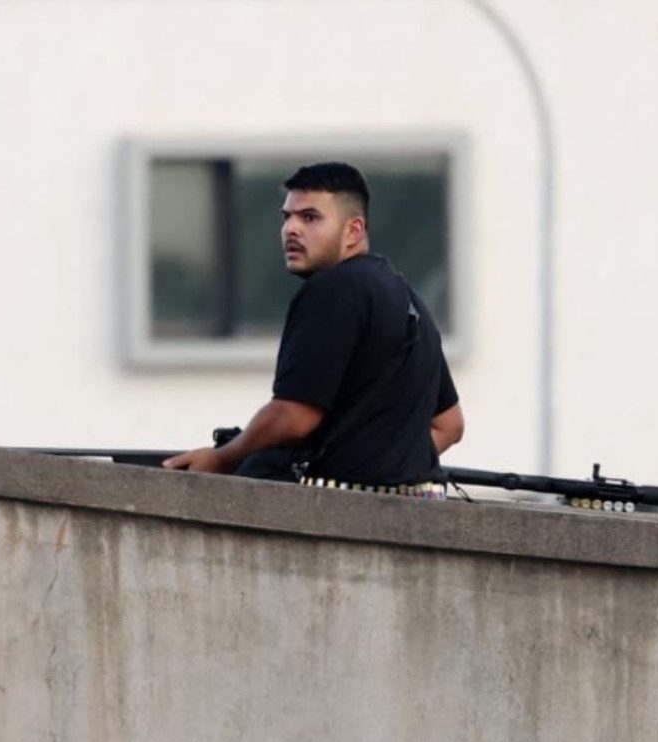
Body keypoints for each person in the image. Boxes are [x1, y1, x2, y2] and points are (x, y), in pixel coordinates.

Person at [163, 161, 463, 498]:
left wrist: (222, 458)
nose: (291, 229)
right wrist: (389, 468)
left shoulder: (335, 289)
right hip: (424, 510)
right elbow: (449, 425)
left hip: (343, 522)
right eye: (286, 216)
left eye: (310, 218)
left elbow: (294, 416)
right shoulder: (407, 298)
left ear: (353, 230)